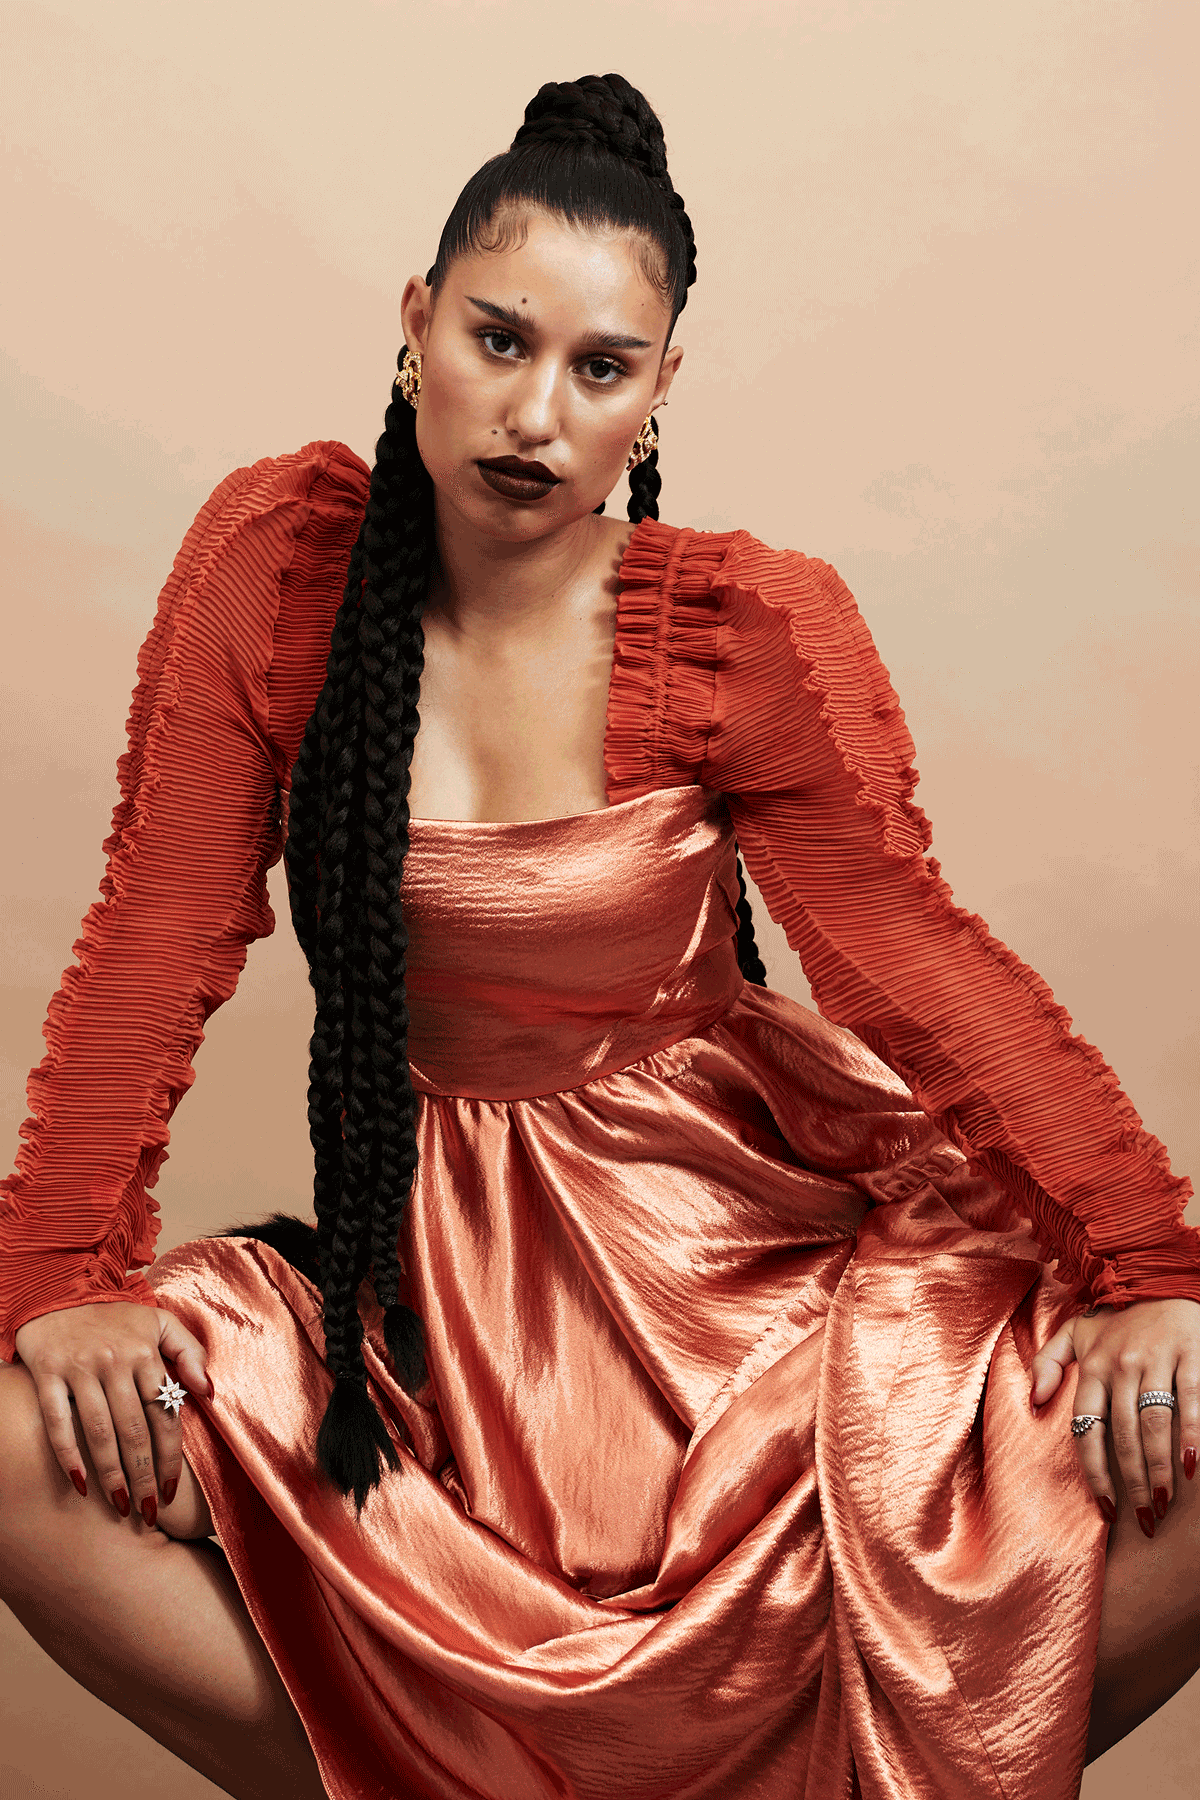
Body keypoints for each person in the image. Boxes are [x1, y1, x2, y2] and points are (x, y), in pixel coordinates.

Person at [0, 69, 1197, 1800]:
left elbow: (910, 962)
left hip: (746, 1262)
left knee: (1186, 1411)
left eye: (600, 368)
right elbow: (153, 936)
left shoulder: (738, 631)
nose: (535, 414)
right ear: (417, 321)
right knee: (15, 1442)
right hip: (419, 1300)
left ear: (659, 390)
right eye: (498, 340)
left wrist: (1145, 1268)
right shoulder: (276, 573)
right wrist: (59, 1282)